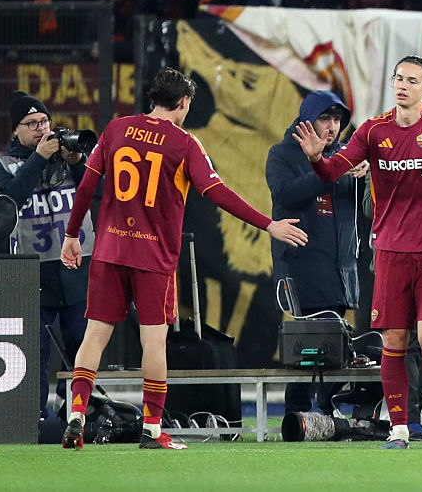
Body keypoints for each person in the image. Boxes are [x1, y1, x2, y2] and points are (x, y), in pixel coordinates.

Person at [60, 68, 308, 450]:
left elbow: (87, 185)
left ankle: (76, 414)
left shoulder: (115, 129)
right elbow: (218, 192)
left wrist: (72, 235)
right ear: (183, 103)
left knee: (95, 334)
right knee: (154, 343)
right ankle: (152, 429)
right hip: (153, 256)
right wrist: (268, 224)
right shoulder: (184, 143)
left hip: (110, 251)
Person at [293, 56, 422, 450]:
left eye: (412, 80)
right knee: (394, 341)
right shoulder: (373, 130)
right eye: (398, 78)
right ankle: (399, 429)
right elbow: (333, 171)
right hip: (389, 251)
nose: (402, 85)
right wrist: (317, 159)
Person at [266, 90, 366, 414]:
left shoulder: (347, 156)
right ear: (307, 119)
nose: (332, 126)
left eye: (337, 119)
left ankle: (322, 409)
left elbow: (362, 208)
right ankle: (300, 410)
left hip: (341, 267)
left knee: (332, 346)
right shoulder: (282, 154)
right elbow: (287, 194)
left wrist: (367, 177)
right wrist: (325, 169)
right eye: (325, 118)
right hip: (302, 266)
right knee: (314, 343)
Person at [0, 92, 92, 420]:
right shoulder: (2, 166)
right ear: (15, 130)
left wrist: (78, 162)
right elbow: (11, 200)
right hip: (31, 272)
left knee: (81, 341)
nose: (41, 128)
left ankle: (76, 413)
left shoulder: (69, 161)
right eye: (32, 123)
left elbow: (102, 193)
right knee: (34, 349)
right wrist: (38, 159)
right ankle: (32, 418)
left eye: (44, 122)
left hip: (76, 266)